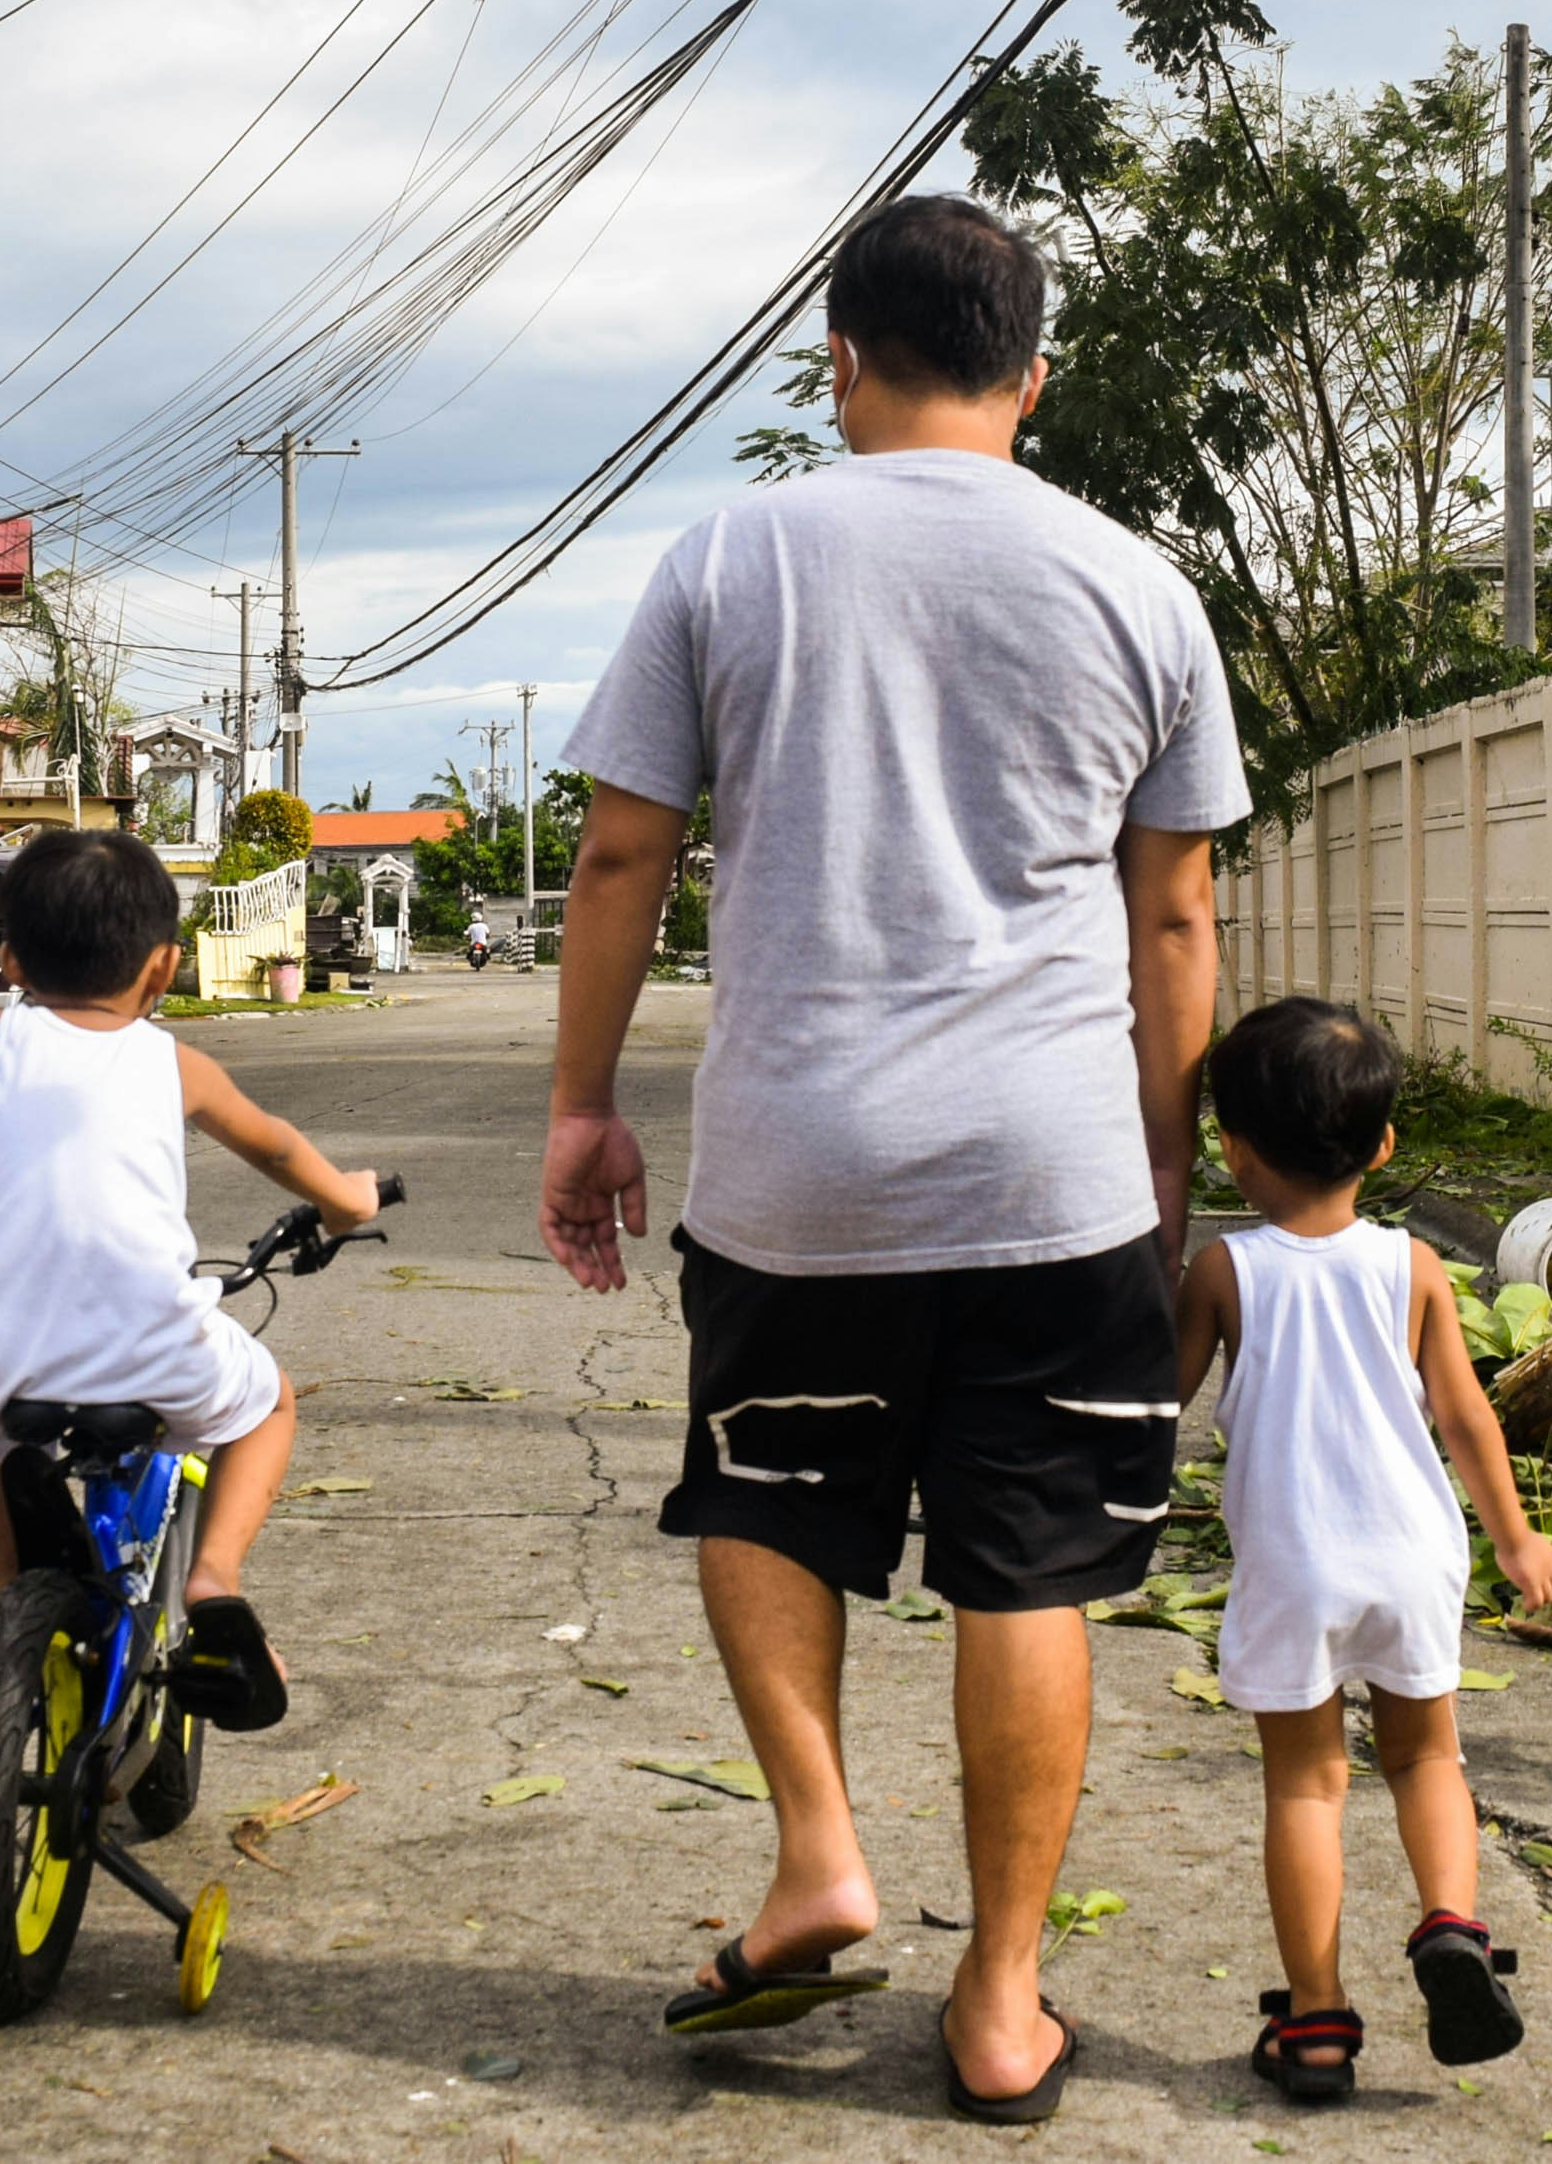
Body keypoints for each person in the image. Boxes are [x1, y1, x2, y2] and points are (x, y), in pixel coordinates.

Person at [541, 193, 1243, 2123]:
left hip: (798, 1174)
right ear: (1036, 371)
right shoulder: (1137, 585)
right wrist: (1169, 1175)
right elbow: (1173, 921)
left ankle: (818, 1851)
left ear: (837, 359)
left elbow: (621, 856)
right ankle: (1002, 1999)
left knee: (773, 1501)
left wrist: (582, 1104)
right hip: (1055, 1177)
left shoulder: (729, 556)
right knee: (1027, 1571)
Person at [1173, 996, 1552, 2106]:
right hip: (1412, 1552)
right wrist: (1515, 1532)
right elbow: (1466, 1420)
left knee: (1305, 1784)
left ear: (1232, 1151)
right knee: (1426, 1758)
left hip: (1295, 1560)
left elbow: (1156, 1400)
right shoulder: (1415, 1267)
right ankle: (1451, 1921)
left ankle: (1313, 2022)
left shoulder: (1223, 1270)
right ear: (1384, 1145)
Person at [0, 827, 377, 1724]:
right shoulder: (176, 1062)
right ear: (163, 970)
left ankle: (4, 1590)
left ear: (8, 958)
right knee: (271, 1403)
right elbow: (275, 1144)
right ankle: (214, 1583)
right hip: (159, 1351)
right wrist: (347, 1202)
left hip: (4, 1359)